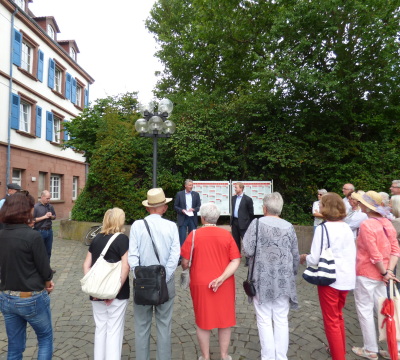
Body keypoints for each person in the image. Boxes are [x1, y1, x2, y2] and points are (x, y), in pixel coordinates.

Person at [181, 203, 241, 360]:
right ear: (218, 218)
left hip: (200, 282)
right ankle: (224, 355)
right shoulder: (227, 235)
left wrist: (187, 265)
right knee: (225, 320)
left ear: (202, 218)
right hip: (225, 283)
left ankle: (205, 357)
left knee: (202, 320)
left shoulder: (193, 235)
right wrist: (221, 278)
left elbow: (185, 262)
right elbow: (235, 260)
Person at [243, 192, 299, 360]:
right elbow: (295, 254)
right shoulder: (289, 226)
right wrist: (292, 274)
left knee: (264, 319)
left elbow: (247, 249)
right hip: (283, 280)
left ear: (265, 208)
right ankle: (281, 357)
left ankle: (267, 357)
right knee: (282, 319)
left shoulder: (257, 224)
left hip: (261, 279)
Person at [300, 192, 356, 360]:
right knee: (338, 316)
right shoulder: (347, 227)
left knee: (331, 320)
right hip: (346, 278)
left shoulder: (323, 229)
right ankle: (339, 349)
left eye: (322, 204)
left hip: (329, 279)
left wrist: (305, 258)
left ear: (326, 208)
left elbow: (315, 258)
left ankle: (339, 356)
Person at [0, 192, 54, 359]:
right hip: (31, 296)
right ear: (25, 211)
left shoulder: (1, 235)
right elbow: (44, 268)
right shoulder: (32, 236)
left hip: (7, 297)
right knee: (45, 338)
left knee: (14, 347)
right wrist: (48, 282)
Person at [129, 188, 180, 360]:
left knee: (141, 327)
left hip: (143, 282)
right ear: (164, 207)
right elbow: (174, 257)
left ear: (147, 208)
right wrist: (164, 278)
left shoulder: (137, 225)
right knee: (164, 326)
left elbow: (133, 256)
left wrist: (139, 277)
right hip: (165, 282)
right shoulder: (172, 226)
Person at [350, 191, 400, 360]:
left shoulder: (367, 225)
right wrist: (389, 271)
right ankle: (395, 348)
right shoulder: (387, 222)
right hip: (384, 274)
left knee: (365, 310)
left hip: (367, 273)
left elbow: (373, 254)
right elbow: (395, 249)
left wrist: (385, 272)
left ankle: (371, 349)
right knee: (385, 310)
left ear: (367, 206)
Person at [82, 208, 130, 360]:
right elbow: (126, 266)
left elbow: (86, 266)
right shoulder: (122, 239)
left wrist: (95, 288)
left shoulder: (96, 238)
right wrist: (113, 291)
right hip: (117, 293)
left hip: (96, 292)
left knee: (101, 327)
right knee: (114, 330)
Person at [230, 182, 254, 263]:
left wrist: (249, 223)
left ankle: (248, 258)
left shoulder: (248, 199)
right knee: (235, 241)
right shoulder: (233, 198)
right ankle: (236, 257)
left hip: (244, 223)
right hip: (234, 222)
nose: (235, 189)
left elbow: (251, 213)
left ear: (241, 188)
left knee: (245, 241)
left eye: (236, 187)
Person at [33, 190, 56, 270]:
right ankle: (39, 269)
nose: (48, 200)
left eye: (49, 198)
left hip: (49, 231)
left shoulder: (50, 206)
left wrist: (51, 216)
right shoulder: (36, 207)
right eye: (47, 198)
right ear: (42, 197)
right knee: (39, 251)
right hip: (39, 231)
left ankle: (47, 268)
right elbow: (33, 220)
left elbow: (54, 216)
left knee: (48, 251)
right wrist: (44, 217)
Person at [174, 179, 201, 247]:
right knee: (182, 237)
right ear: (185, 185)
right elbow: (175, 206)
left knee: (193, 238)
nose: (191, 186)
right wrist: (182, 210)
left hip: (192, 218)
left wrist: (194, 209)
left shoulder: (196, 194)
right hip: (183, 218)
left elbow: (199, 206)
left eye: (192, 185)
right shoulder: (179, 194)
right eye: (189, 185)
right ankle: (181, 255)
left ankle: (192, 254)